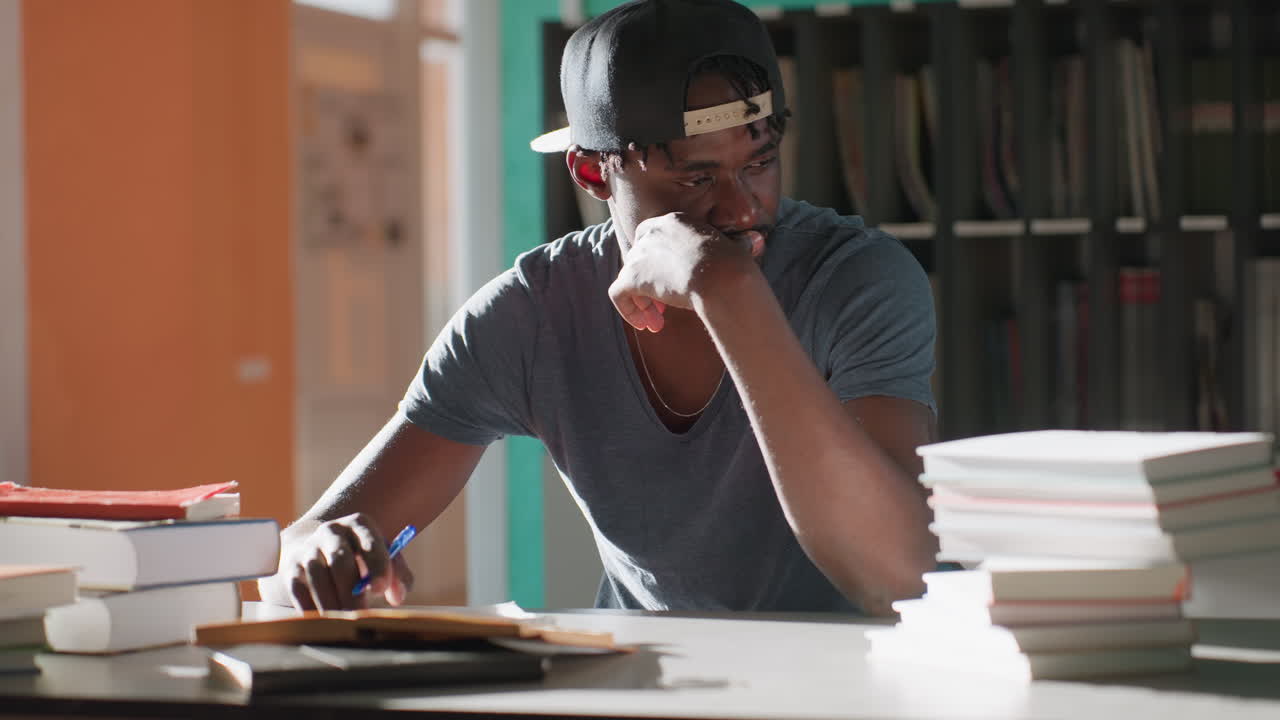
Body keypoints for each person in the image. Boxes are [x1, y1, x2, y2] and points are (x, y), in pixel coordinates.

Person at [259, 0, 938, 616]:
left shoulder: (857, 279)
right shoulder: (531, 315)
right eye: (696, 177)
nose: (740, 208)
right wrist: (316, 554)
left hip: (850, 685)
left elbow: (897, 575)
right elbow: (306, 543)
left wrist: (728, 295)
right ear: (592, 173)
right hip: (654, 681)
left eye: (758, 163)